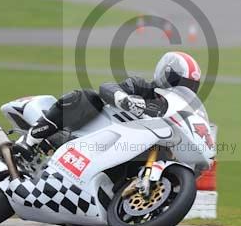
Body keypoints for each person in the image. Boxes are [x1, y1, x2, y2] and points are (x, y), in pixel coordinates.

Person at [12, 51, 202, 162]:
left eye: (189, 86)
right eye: (178, 81)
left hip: (122, 150)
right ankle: (30, 139)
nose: (182, 88)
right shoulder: (142, 87)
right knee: (88, 97)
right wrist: (124, 99)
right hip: (90, 131)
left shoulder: (174, 110)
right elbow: (107, 87)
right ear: (165, 73)